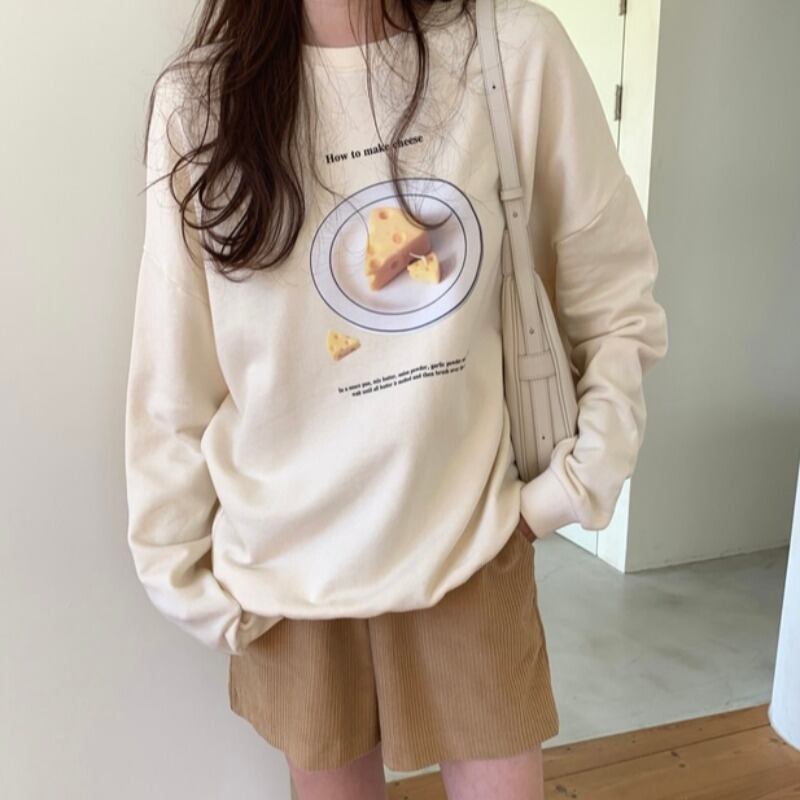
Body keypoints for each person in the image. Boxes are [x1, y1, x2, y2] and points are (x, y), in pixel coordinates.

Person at [123, 0, 668, 797]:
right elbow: (175, 367)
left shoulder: (510, 50)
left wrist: (571, 488)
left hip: (469, 542)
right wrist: (184, 578)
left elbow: (614, 296)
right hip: (288, 572)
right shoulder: (200, 102)